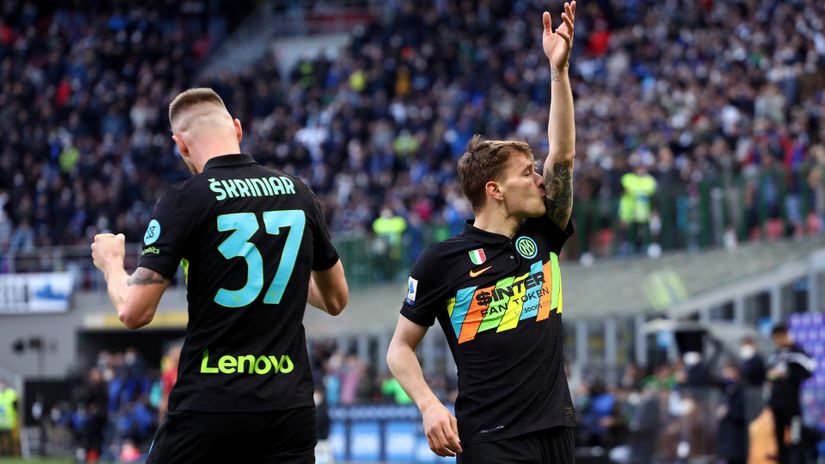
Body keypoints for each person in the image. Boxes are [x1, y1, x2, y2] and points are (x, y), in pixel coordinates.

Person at [90, 87, 349, 463]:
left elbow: (134, 311)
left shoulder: (185, 198)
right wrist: (279, 264)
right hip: (288, 408)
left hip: (211, 407)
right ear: (238, 129)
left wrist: (112, 264)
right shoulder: (298, 193)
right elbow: (336, 299)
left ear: (180, 145)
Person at [386, 3, 578, 462]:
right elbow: (399, 350)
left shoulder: (543, 233)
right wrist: (429, 405)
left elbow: (564, 158)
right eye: (527, 173)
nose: (538, 180)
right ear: (494, 189)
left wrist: (559, 73)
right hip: (491, 439)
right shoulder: (442, 260)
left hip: (556, 431)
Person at [766, 323, 814, 464]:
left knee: (795, 438)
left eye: (778, 337)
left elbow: (808, 371)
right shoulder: (775, 355)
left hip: (792, 405)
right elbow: (767, 373)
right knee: (779, 440)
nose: (776, 341)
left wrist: (786, 374)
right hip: (776, 404)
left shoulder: (798, 353)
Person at [716, 362, 747, 464]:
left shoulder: (741, 390)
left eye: (728, 372)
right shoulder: (724, 390)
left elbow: (742, 412)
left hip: (736, 441)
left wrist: (728, 411)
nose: (726, 375)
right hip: (724, 441)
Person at [0, 380, 17, 456]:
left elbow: (17, 405)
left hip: (8, 421)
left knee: (8, 439)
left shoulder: (11, 393)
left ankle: (8, 453)